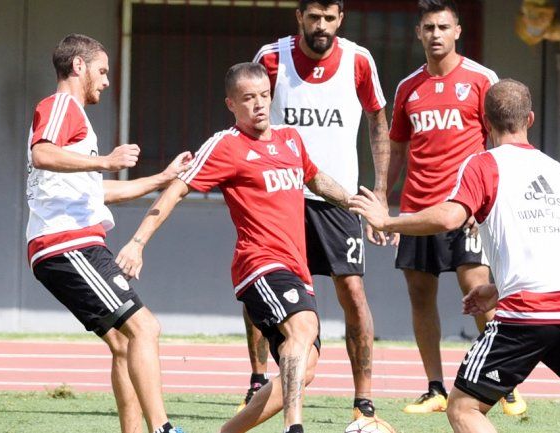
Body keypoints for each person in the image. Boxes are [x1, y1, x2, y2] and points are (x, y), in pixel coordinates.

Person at [351, 78, 560, 433]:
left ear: (485, 123)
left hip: (526, 315)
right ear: (529, 119)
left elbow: (451, 217)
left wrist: (388, 221)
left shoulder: (482, 164)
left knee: (464, 408)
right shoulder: (559, 172)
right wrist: (497, 290)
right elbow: (555, 248)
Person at [115, 62, 352, 433]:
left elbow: (316, 179)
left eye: (264, 96)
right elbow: (177, 188)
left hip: (296, 267)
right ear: (231, 104)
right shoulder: (226, 145)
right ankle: (296, 427)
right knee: (303, 329)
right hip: (259, 265)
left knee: (306, 368)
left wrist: (357, 205)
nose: (259, 105)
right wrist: (137, 241)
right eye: (248, 98)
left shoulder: (290, 139)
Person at [26, 34, 190, 433]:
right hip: (68, 243)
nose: (106, 81)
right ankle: (164, 428)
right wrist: (106, 161)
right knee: (145, 328)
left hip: (62, 245)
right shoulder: (62, 104)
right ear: (78, 66)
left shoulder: (76, 127)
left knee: (123, 343)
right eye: (102, 71)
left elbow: (102, 193)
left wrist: (162, 177)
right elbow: (41, 153)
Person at [247, 0, 393, 423]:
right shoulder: (271, 58)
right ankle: (258, 380)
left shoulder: (359, 61)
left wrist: (379, 192)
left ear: (340, 20)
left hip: (337, 199)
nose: (322, 26)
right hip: (280, 195)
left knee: (353, 292)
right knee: (261, 287)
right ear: (300, 18)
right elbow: (249, 115)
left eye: (330, 18)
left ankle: (363, 398)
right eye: (314, 17)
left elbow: (378, 122)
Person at [387, 0, 526, 415]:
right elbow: (397, 147)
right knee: (420, 296)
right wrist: (382, 196)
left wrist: (490, 204)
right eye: (428, 27)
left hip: (466, 211)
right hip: (416, 209)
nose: (435, 34)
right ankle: (435, 387)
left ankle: (501, 383)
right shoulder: (407, 88)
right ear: (418, 33)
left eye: (443, 26)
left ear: (457, 31)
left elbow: (502, 144)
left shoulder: (483, 79)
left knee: (479, 293)